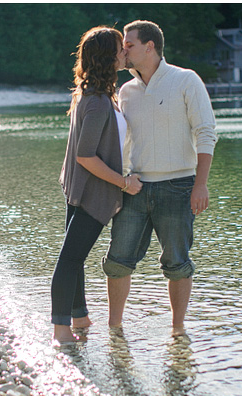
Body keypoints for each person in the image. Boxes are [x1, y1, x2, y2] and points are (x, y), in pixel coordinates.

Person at [102, 20, 218, 336]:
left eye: (129, 45)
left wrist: (201, 184)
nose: (123, 51)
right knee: (117, 259)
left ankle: (178, 333)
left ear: (149, 46)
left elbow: (206, 132)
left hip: (179, 186)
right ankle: (115, 328)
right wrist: (117, 181)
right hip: (134, 187)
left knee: (177, 262)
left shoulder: (186, 80)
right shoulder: (125, 91)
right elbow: (118, 141)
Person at [51, 26, 143, 344]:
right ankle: (61, 332)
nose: (124, 52)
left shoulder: (96, 95)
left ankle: (79, 317)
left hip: (81, 189)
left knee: (73, 257)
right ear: (108, 56)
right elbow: (85, 156)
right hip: (92, 192)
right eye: (120, 48)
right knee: (71, 260)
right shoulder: (98, 102)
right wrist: (124, 183)